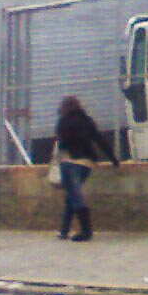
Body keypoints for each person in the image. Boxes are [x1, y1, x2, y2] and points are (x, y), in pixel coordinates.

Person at [54, 96, 119, 241]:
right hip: (86, 164)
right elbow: (99, 139)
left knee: (75, 197)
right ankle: (64, 230)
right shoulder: (87, 120)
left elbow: (62, 145)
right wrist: (113, 159)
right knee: (72, 195)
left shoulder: (63, 122)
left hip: (69, 163)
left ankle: (86, 231)